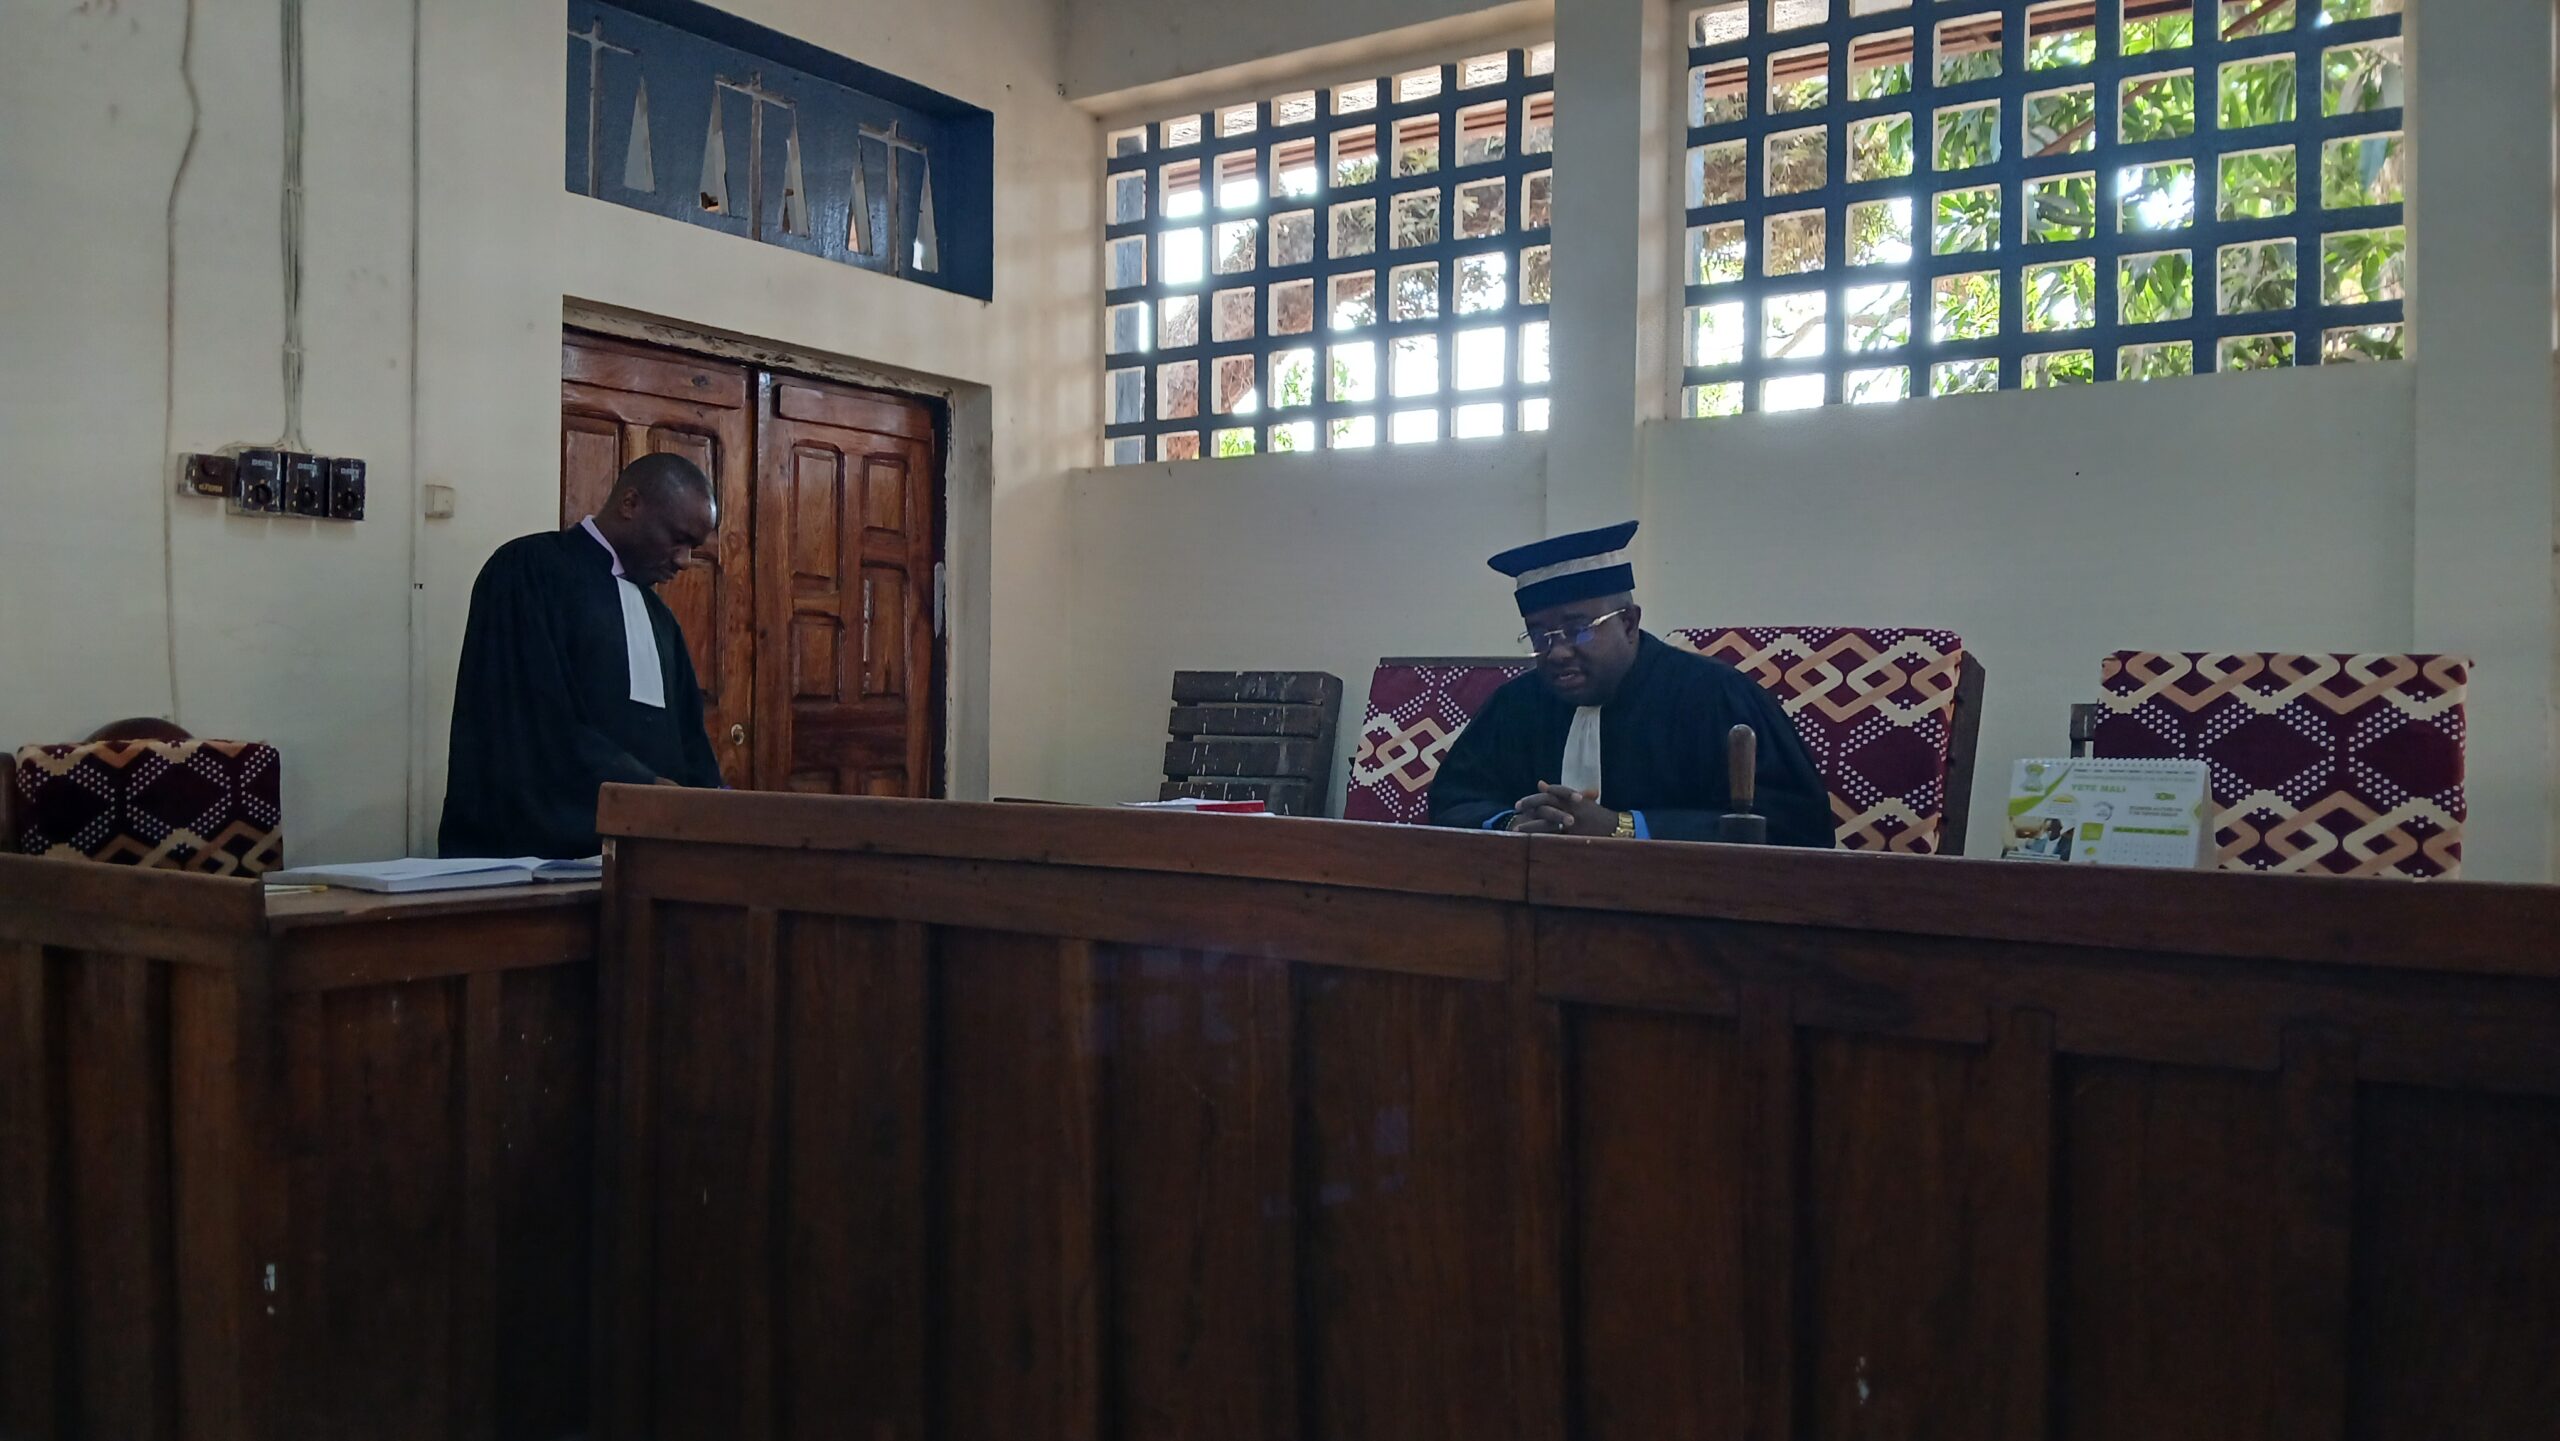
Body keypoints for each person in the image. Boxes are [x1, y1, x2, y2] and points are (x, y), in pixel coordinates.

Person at [1427, 520, 1835, 847]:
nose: (1558, 652)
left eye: (1578, 629)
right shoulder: (1515, 706)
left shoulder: (1715, 696)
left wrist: (1623, 828)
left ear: (1628, 622)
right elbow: (1453, 802)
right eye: (1540, 635)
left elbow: (1798, 829)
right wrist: (1514, 824)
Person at [438, 454, 726, 858]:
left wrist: (714, 807)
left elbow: (688, 741)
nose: (684, 561)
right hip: (536, 854)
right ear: (630, 504)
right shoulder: (528, 570)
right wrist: (643, 790)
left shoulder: (659, 617)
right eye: (678, 539)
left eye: (693, 547)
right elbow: (529, 720)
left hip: (648, 854)